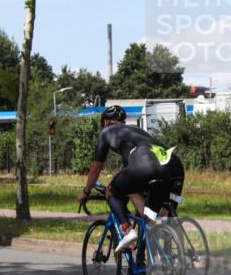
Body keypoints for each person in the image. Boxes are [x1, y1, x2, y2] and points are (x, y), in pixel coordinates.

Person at [77, 105, 185, 253]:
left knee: (111, 192)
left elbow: (95, 169)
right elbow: (132, 172)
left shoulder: (106, 132)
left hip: (147, 165)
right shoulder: (137, 131)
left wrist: (86, 192)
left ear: (107, 122)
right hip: (174, 166)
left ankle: (128, 231)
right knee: (159, 216)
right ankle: (175, 258)